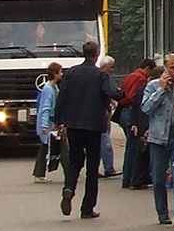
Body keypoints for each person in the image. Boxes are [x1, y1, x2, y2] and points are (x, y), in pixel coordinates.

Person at [52, 40, 123, 220]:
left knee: (75, 161)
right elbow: (112, 93)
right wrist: (123, 94)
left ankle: (69, 188)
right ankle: (87, 208)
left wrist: (58, 119)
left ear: (83, 53)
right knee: (92, 167)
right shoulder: (100, 74)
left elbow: (62, 97)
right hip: (94, 125)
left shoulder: (72, 73)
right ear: (97, 54)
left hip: (74, 124)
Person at [140, 53, 174, 225]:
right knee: (158, 176)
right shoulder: (153, 86)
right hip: (159, 136)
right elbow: (146, 108)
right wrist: (161, 90)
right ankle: (162, 212)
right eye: (172, 68)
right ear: (165, 68)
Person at [118, 58, 156, 189]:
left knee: (130, 146)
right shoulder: (140, 79)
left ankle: (127, 177)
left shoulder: (130, 76)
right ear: (147, 69)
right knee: (136, 147)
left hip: (124, 111)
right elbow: (134, 96)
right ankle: (131, 178)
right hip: (132, 112)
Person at [33, 62, 63, 182]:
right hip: (48, 123)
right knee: (56, 147)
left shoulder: (54, 87)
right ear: (55, 74)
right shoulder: (48, 89)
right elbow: (45, 108)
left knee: (46, 147)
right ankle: (71, 171)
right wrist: (44, 125)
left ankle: (39, 173)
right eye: (60, 72)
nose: (62, 74)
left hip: (53, 122)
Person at [96, 55, 121, 177]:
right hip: (101, 115)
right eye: (111, 67)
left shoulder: (97, 76)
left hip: (99, 113)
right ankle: (109, 168)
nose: (112, 70)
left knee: (100, 142)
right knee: (105, 142)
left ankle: (100, 167)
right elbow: (111, 91)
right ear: (105, 67)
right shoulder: (103, 77)